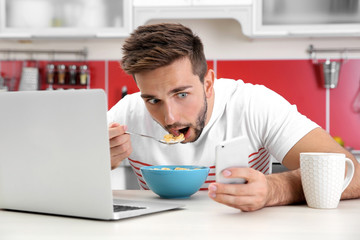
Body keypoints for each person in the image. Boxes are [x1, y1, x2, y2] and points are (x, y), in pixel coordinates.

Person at [107, 23, 360, 211]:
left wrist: (275, 189)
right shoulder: (127, 114)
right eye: (153, 100)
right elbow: (70, 181)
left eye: (181, 94)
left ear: (208, 83)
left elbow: (353, 174)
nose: (170, 117)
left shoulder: (254, 104)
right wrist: (97, 162)